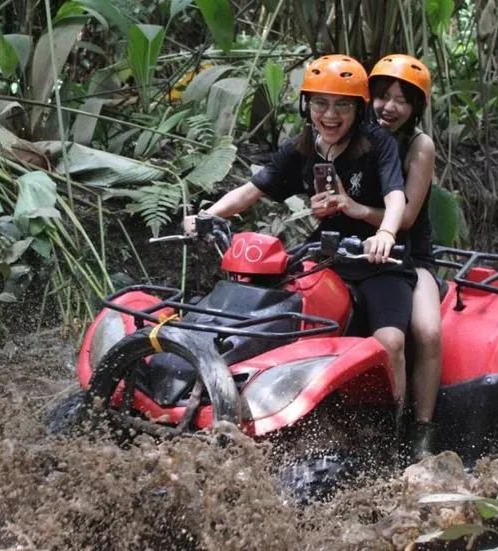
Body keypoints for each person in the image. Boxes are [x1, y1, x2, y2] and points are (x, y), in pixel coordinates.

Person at [184, 54, 418, 438]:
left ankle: (394, 431)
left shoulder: (379, 144)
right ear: (306, 105)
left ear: (359, 109)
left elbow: (396, 198)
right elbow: (253, 190)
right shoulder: (302, 146)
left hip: (379, 262)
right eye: (319, 102)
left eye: (342, 103)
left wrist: (386, 235)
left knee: (391, 341)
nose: (329, 114)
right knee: (270, 314)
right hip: (323, 256)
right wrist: (209, 215)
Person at [332, 53, 440, 461]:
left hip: (409, 254)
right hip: (354, 252)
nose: (390, 107)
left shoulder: (419, 144)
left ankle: (423, 431)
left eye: (402, 99)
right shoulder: (351, 133)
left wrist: (357, 211)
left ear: (416, 108)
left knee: (427, 331)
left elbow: (408, 216)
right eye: (382, 96)